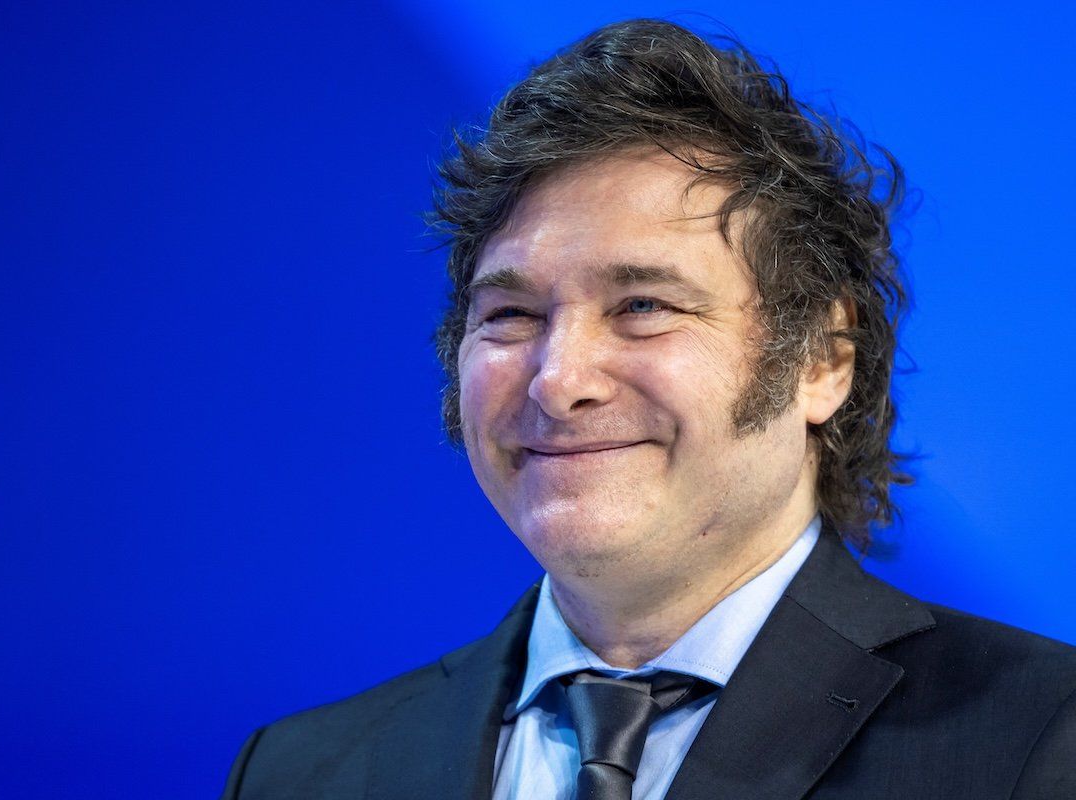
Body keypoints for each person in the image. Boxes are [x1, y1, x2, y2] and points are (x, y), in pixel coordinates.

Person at [220, 19, 1076, 799]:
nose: (559, 380)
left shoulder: (1040, 740)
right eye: (511, 316)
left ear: (822, 363)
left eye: (642, 306)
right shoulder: (300, 773)